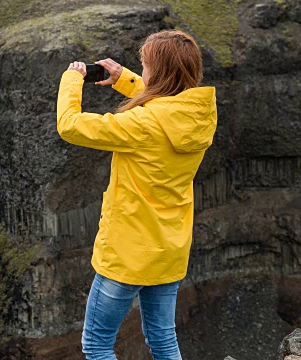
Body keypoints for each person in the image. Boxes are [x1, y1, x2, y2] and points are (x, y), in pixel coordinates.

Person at [56, 30, 218, 360]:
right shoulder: (201, 115)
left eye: (144, 66)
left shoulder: (142, 124)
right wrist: (124, 80)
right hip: (169, 248)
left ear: (158, 72)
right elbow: (169, 105)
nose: (141, 71)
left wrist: (71, 80)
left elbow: (70, 125)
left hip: (127, 253)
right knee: (162, 339)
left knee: (97, 344)